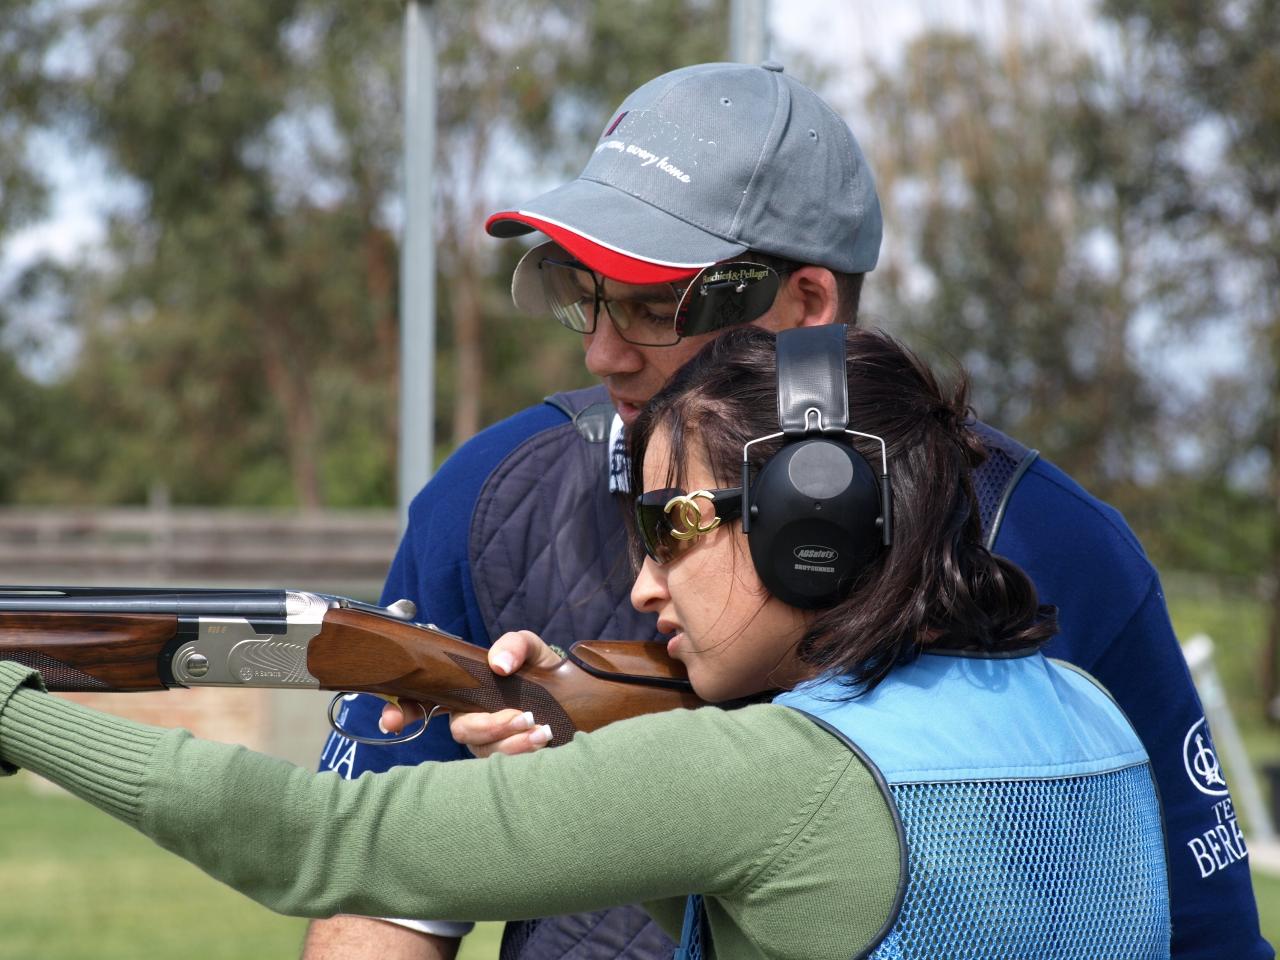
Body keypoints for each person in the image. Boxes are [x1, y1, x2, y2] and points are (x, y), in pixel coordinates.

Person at [305, 62, 1271, 960]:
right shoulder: (488, 497)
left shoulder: (1052, 541)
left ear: (807, 303)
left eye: (651, 303)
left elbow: (1203, 932)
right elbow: (382, 898)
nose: (601, 354)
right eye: (579, 295)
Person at [0, 324, 1173, 959]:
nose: (639, 581)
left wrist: (13, 712)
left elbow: (317, 841)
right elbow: (811, 908)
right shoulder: (1079, 708)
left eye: (670, 524)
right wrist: (584, 788)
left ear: (810, 536)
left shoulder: (769, 778)